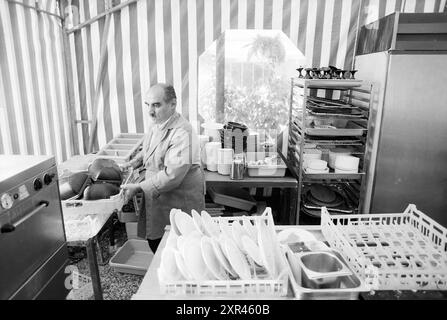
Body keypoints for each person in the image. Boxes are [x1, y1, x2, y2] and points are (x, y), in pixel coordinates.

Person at [120, 83, 205, 253]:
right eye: (148, 105)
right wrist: (134, 162)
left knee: (179, 247)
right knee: (157, 243)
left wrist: (138, 187)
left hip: (178, 200)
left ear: (172, 104)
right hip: (159, 197)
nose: (150, 111)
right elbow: (149, 150)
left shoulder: (183, 133)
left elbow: (172, 176)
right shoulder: (157, 124)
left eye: (156, 105)